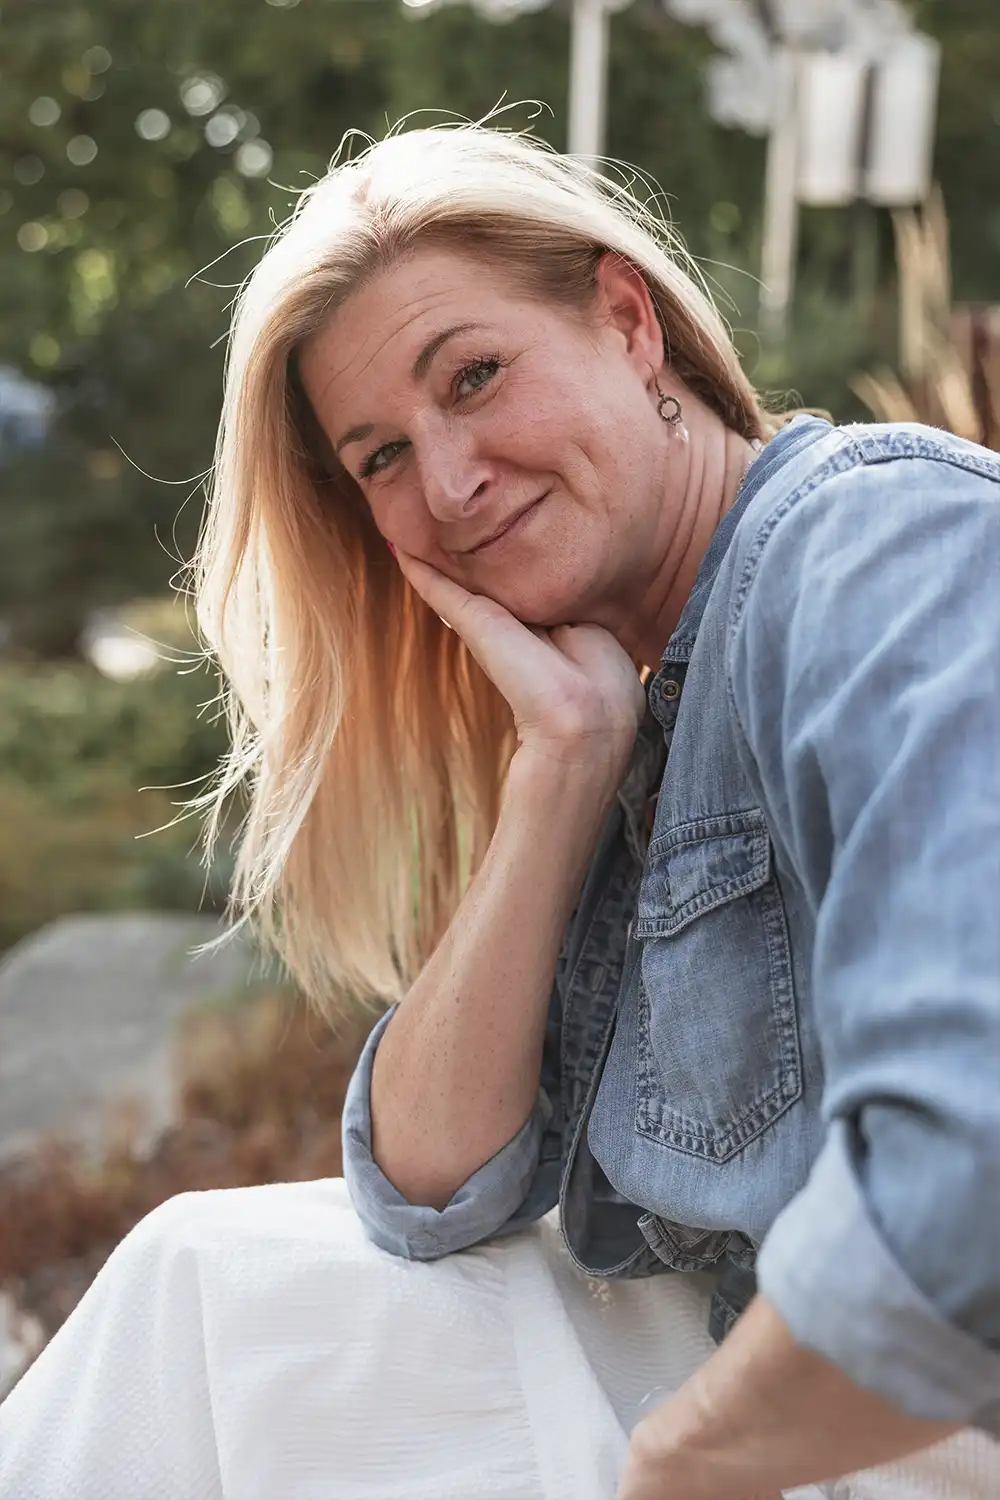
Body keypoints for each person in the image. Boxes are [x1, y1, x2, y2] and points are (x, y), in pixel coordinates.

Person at [0, 121, 997, 1500]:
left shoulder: (877, 549)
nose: (452, 483)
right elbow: (426, 1186)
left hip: (906, 1429)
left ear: (629, 322)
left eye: (475, 376)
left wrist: (682, 1470)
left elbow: (972, 1162)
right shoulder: (644, 702)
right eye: (382, 459)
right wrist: (567, 763)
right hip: (763, 1383)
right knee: (200, 1288)